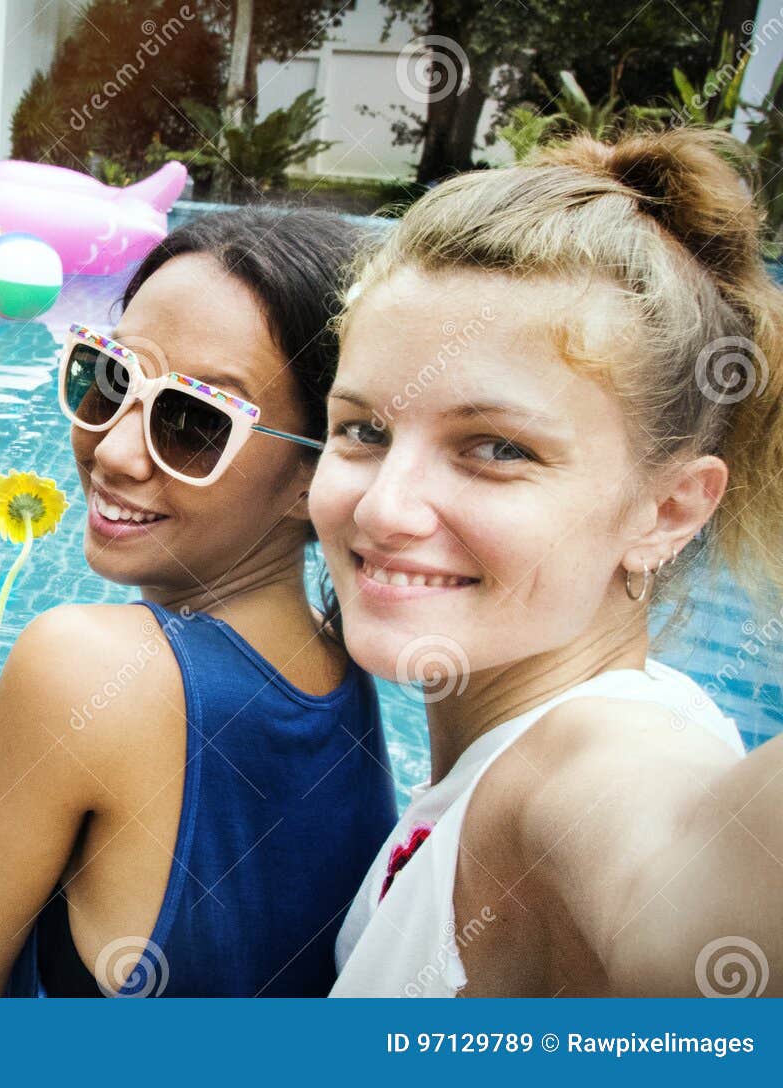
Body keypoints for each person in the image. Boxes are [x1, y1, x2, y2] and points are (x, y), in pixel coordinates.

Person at [312, 128, 783, 996]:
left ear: (667, 511)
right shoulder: (503, 749)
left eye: (496, 447)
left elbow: (683, 876)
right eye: (364, 430)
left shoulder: (588, 761)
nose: (383, 507)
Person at [0, 207, 398, 998]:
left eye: (193, 420)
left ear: (316, 475)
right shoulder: (338, 658)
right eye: (109, 377)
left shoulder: (83, 666)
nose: (115, 452)